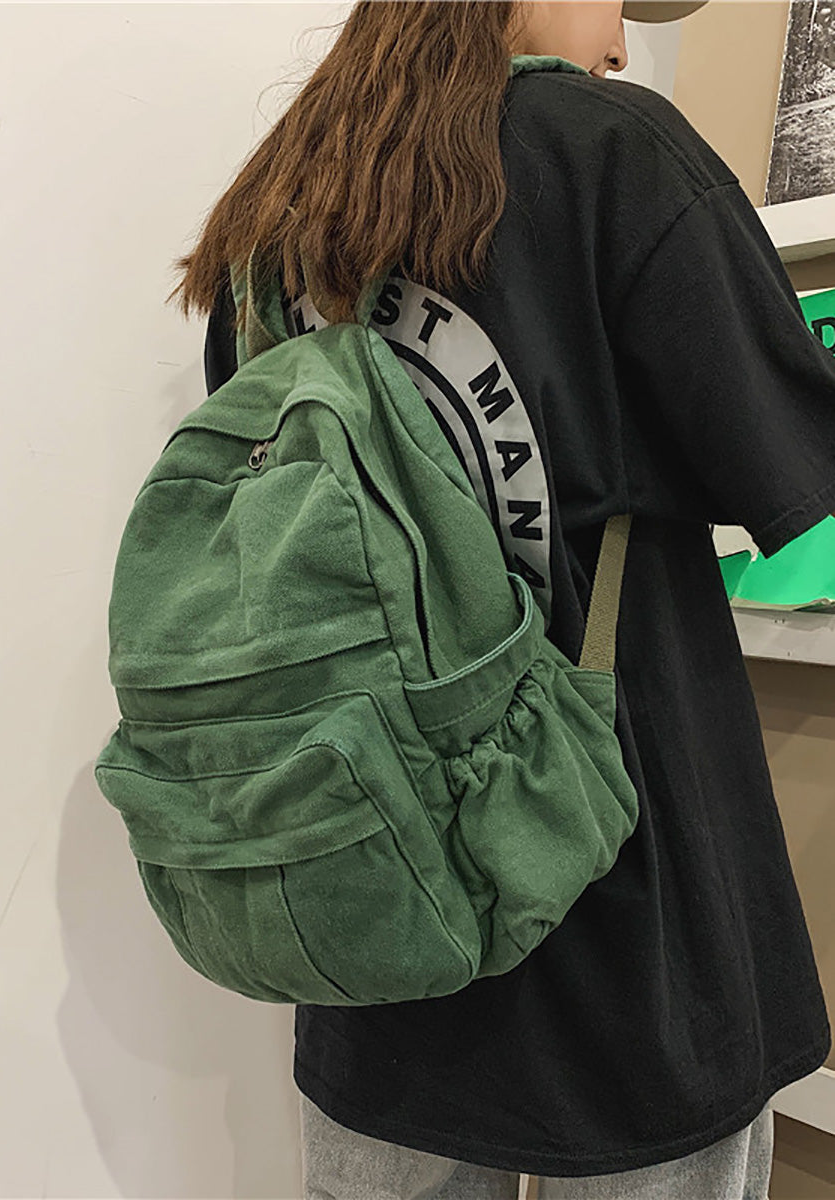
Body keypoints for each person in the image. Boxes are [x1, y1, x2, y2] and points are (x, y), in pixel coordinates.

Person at [169, 2, 835, 1196]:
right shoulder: (612, 153)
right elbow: (782, 461)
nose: (621, 43)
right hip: (624, 904)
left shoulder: (276, 213)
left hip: (366, 888)